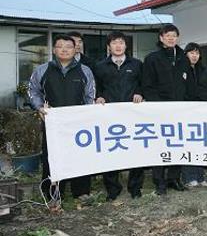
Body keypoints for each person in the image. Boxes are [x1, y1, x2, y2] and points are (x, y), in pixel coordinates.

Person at [29, 34, 95, 204]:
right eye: (60, 46)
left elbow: (90, 95)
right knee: (52, 157)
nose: (64, 50)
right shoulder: (42, 70)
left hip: (78, 123)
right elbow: (33, 91)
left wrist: (88, 114)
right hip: (52, 122)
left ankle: (81, 191)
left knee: (80, 155)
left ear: (75, 49)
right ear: (54, 50)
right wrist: (39, 107)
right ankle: (53, 193)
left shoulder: (85, 70)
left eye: (68, 47)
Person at [94, 31, 146, 200]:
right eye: (114, 43)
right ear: (108, 46)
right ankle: (112, 189)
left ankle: (135, 188)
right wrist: (99, 97)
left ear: (126, 45)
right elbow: (96, 87)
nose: (118, 46)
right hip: (109, 115)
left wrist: (140, 93)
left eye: (121, 42)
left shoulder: (137, 64)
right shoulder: (100, 66)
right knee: (111, 150)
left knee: (136, 150)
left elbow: (144, 84)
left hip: (133, 114)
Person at [141, 24, 189, 195]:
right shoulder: (152, 59)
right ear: (161, 38)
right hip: (160, 110)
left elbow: (188, 85)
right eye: (167, 35)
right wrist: (160, 106)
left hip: (180, 110)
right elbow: (147, 85)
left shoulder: (183, 58)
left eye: (174, 35)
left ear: (177, 38)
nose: (171, 38)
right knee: (160, 145)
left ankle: (174, 178)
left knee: (178, 144)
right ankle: (159, 181)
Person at [181, 42, 207, 188]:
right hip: (185, 111)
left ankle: (200, 176)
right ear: (186, 54)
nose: (194, 56)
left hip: (201, 112)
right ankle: (189, 176)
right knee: (187, 144)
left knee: (200, 143)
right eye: (191, 53)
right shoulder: (180, 69)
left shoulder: (204, 70)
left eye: (197, 53)